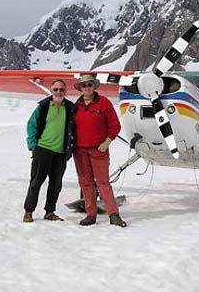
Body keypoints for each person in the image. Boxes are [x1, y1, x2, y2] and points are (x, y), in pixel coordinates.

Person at [73, 74, 127, 227]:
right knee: (85, 182)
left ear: (94, 86)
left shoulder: (104, 103)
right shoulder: (76, 106)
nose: (87, 88)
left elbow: (115, 125)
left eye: (89, 85)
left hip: (99, 150)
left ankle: (113, 214)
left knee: (103, 182)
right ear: (80, 89)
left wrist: (107, 141)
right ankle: (91, 214)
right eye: (84, 86)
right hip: (80, 151)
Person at [22, 79, 75, 223]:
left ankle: (50, 212)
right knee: (36, 182)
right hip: (42, 150)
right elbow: (31, 125)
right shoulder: (43, 106)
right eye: (56, 89)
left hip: (60, 153)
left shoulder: (70, 108)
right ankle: (29, 211)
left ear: (65, 91)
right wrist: (33, 145)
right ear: (51, 91)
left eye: (61, 90)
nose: (59, 92)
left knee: (56, 184)